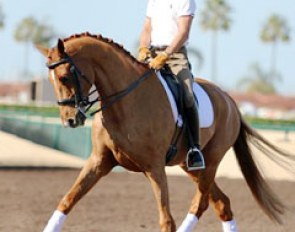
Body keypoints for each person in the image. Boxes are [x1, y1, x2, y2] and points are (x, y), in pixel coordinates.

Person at [138, 0, 205, 171]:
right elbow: (147, 29)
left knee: (188, 95)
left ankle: (194, 148)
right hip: (151, 54)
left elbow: (183, 32)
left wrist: (166, 55)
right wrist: (143, 48)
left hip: (175, 56)